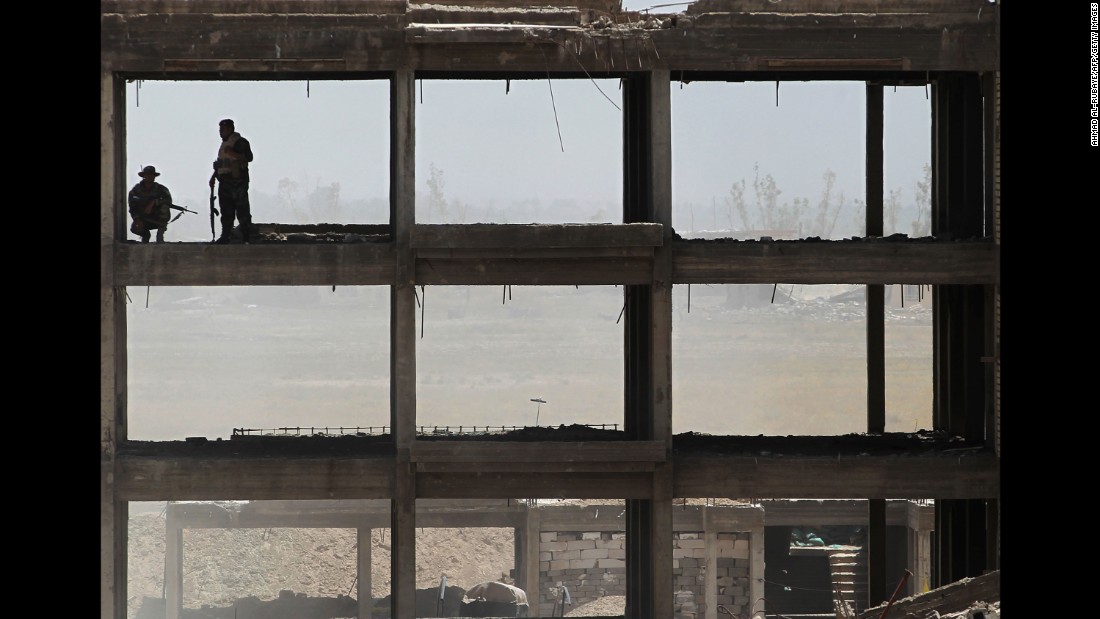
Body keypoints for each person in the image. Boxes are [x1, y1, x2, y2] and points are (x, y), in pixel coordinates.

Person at [209, 118, 255, 244]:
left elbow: (248, 158)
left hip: (237, 181)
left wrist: (233, 153)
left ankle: (246, 236)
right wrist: (213, 176)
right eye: (220, 130)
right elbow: (222, 163)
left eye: (223, 129)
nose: (221, 132)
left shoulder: (240, 142)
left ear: (230, 129)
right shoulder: (224, 144)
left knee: (242, 210)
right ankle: (225, 236)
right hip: (224, 181)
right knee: (226, 211)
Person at [128, 165, 173, 243]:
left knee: (164, 207)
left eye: (151, 175)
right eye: (147, 174)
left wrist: (154, 202)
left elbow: (168, 201)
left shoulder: (161, 189)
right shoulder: (136, 190)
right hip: (143, 217)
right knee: (135, 228)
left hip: (157, 218)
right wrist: (137, 219)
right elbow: (132, 206)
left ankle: (160, 233)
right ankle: (145, 236)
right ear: (144, 176)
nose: (149, 176)